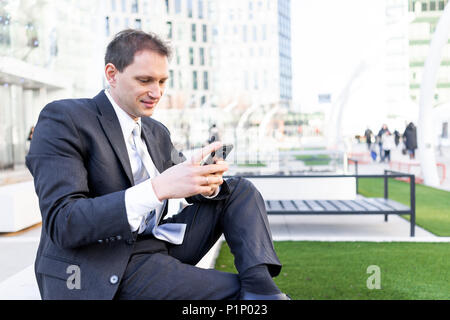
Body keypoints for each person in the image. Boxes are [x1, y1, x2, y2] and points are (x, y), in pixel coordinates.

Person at [26, 29, 288, 300]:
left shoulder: (155, 131)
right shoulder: (65, 118)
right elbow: (64, 222)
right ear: (112, 74)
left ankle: (261, 287)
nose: (157, 92)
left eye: (163, 81)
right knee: (234, 294)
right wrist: (157, 188)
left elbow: (183, 182)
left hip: (158, 244)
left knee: (238, 191)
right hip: (104, 264)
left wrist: (206, 182)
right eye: (145, 80)